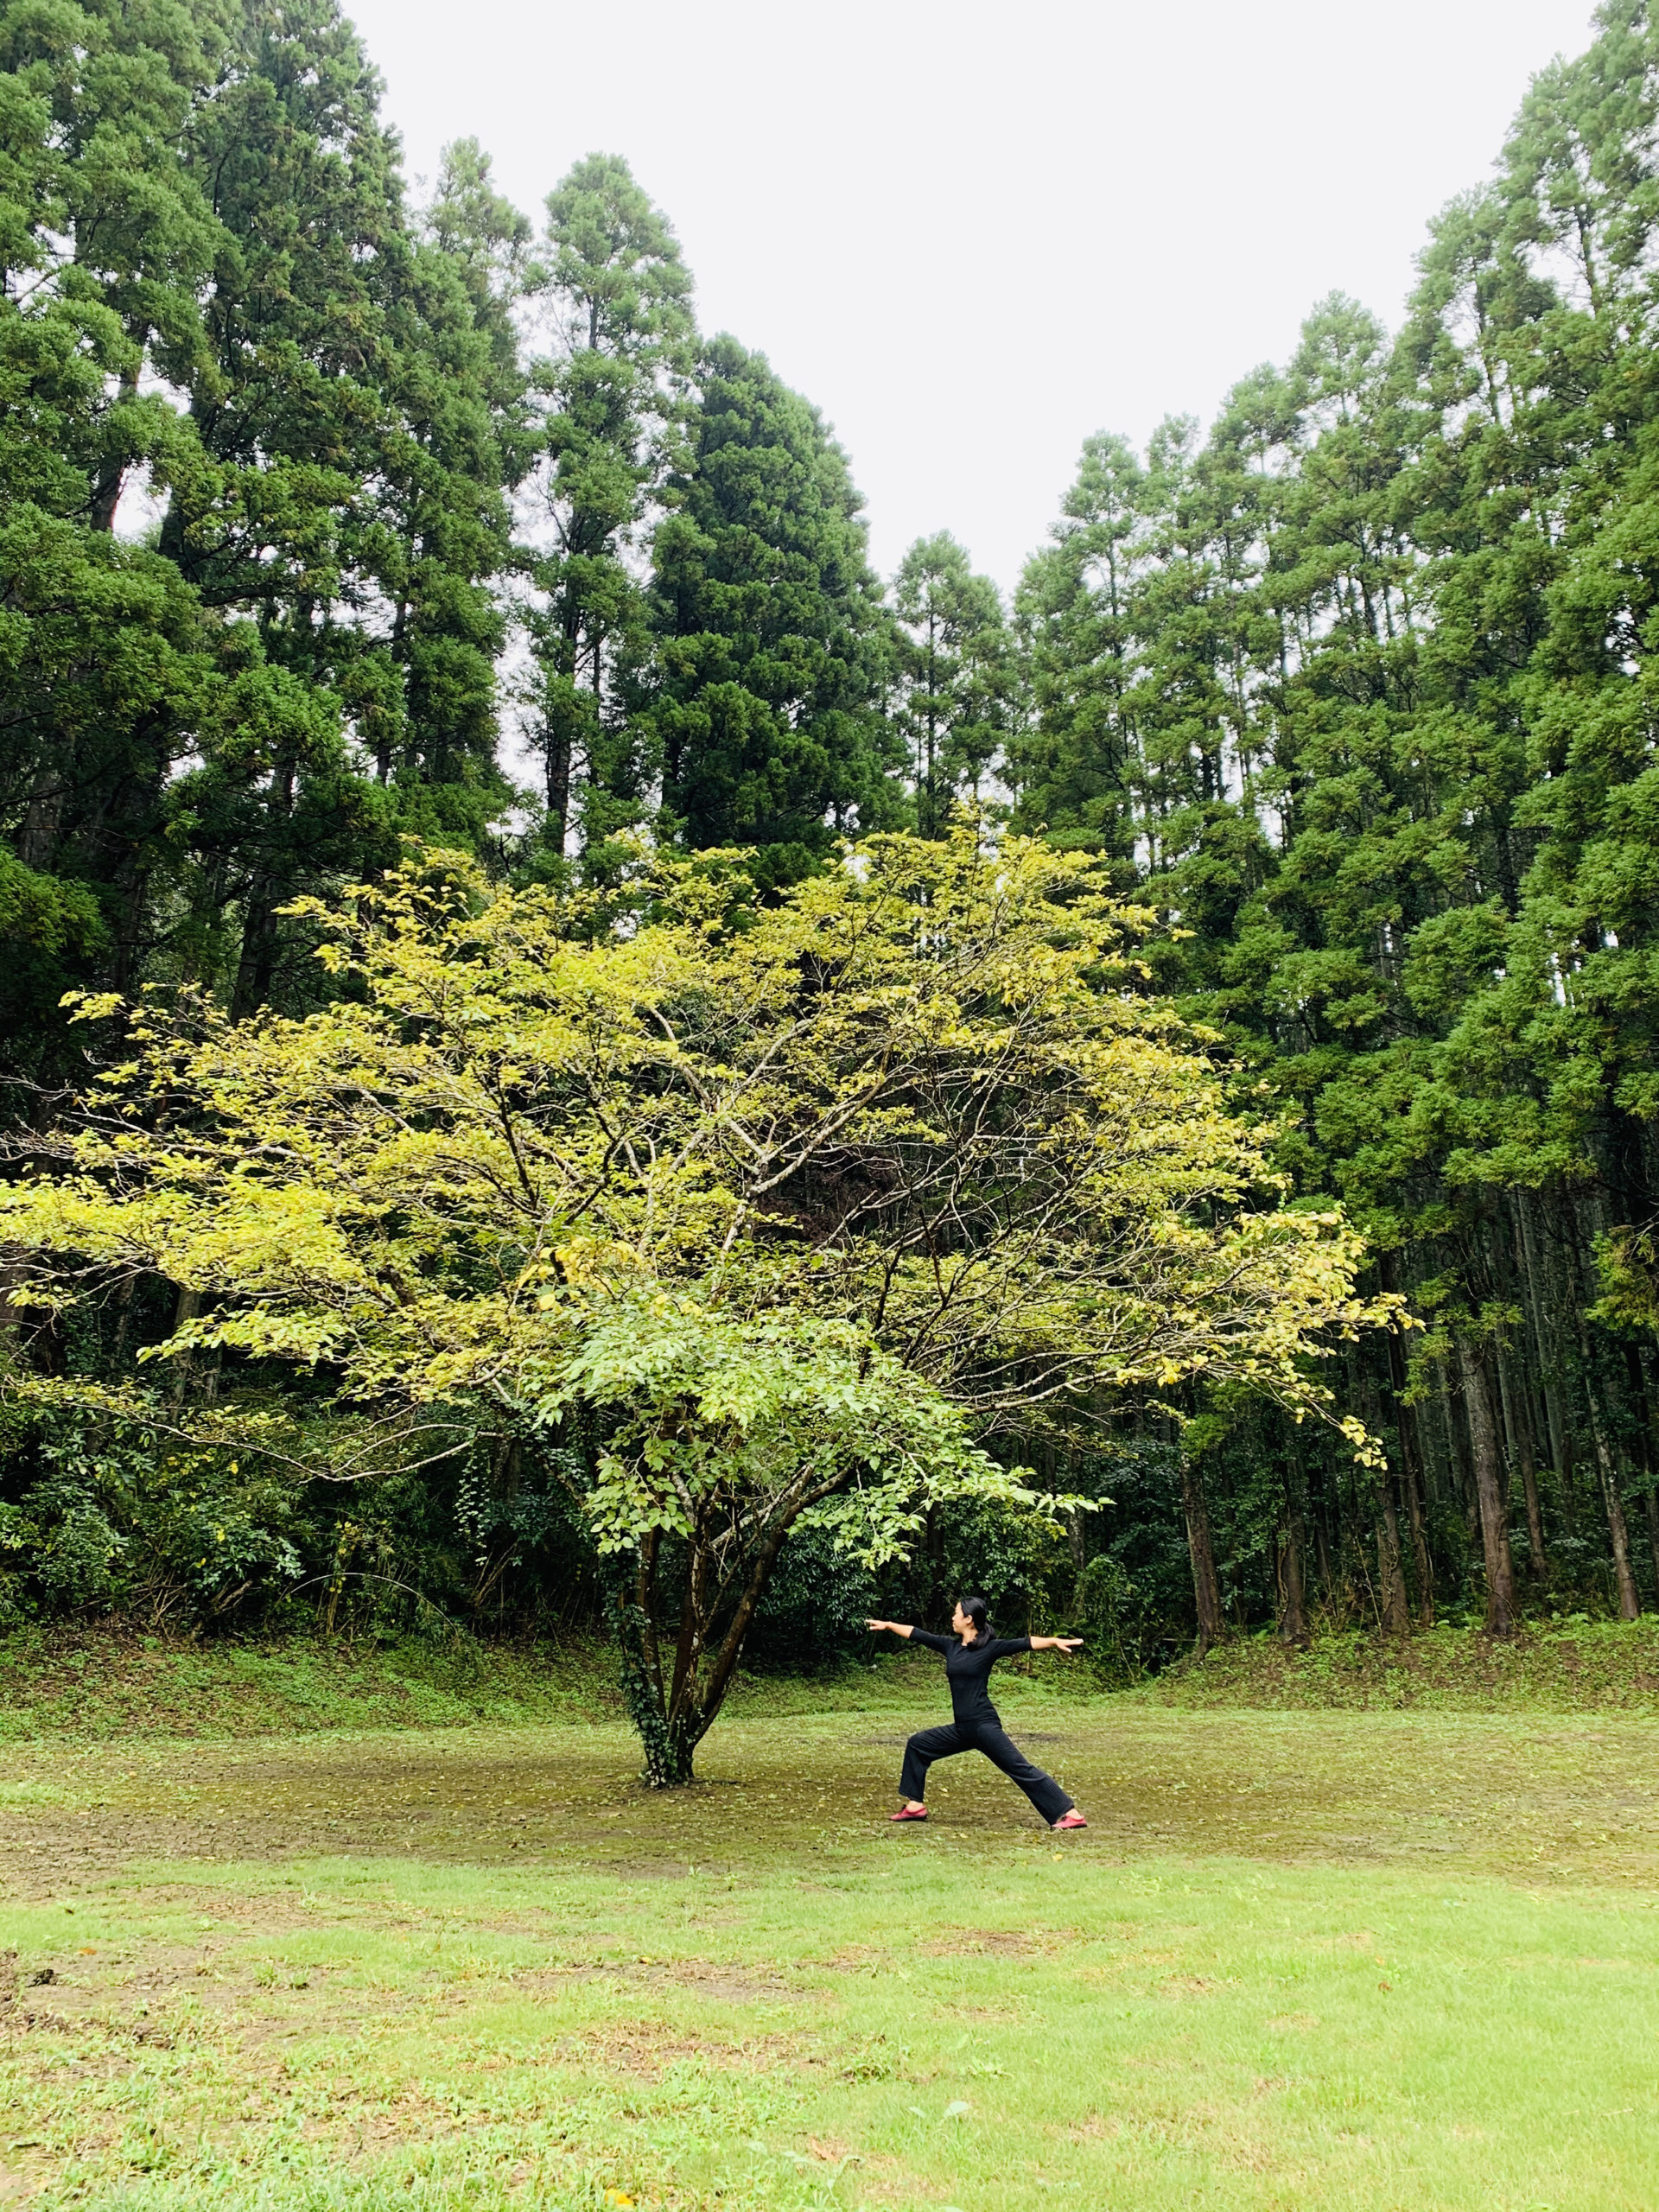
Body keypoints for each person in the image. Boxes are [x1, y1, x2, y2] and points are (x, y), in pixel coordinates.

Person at [865, 1597, 1088, 1830]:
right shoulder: (950, 1646)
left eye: (956, 1613)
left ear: (969, 1619)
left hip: (984, 1726)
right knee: (919, 1744)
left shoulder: (990, 1648)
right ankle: (915, 1806)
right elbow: (917, 1633)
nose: (952, 1617)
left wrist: (1053, 1641)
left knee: (1019, 1768)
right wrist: (889, 1625)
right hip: (963, 1729)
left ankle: (1070, 1813)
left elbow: (1026, 1643)